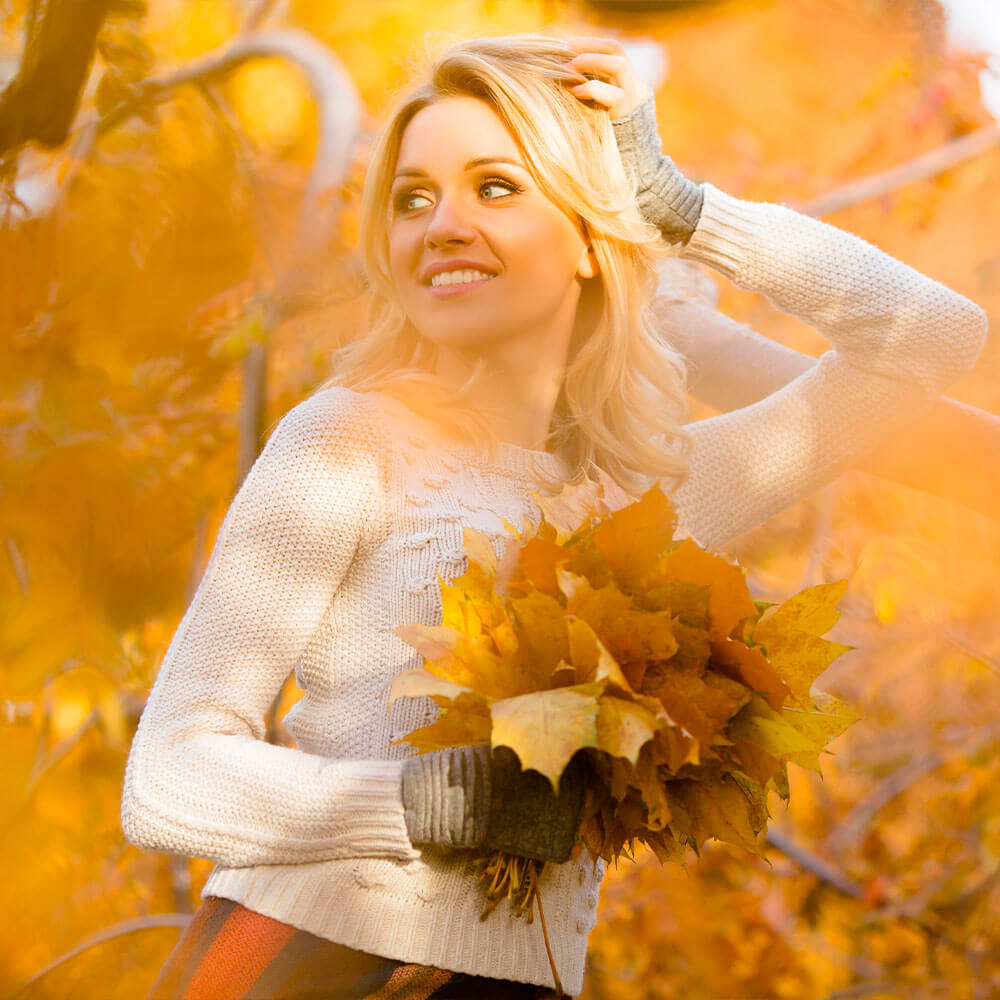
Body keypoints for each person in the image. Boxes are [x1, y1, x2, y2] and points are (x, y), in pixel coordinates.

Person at [120, 32, 987, 1000]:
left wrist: (679, 208)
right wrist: (423, 802)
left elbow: (929, 338)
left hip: (525, 980)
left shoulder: (644, 491)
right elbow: (168, 776)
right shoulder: (349, 439)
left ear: (587, 235)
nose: (441, 224)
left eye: (495, 187)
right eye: (413, 198)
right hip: (305, 959)